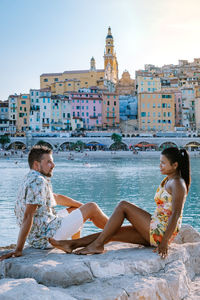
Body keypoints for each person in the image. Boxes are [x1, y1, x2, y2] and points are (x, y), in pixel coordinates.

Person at [49, 147, 190, 259]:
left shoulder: (178, 184)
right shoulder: (169, 180)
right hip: (155, 228)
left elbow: (176, 214)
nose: (160, 165)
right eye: (160, 162)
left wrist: (164, 242)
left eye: (163, 163)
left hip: (161, 231)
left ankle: (97, 245)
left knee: (123, 205)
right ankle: (70, 244)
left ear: (175, 165)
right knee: (112, 232)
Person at [0, 145, 108, 261]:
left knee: (76, 209)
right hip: (46, 237)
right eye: (48, 162)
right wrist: (18, 249)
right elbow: (28, 215)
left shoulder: (30, 177)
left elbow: (55, 197)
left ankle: (74, 243)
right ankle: (118, 230)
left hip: (41, 233)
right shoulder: (38, 181)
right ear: (36, 164)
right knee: (92, 207)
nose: (53, 165)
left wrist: (82, 208)